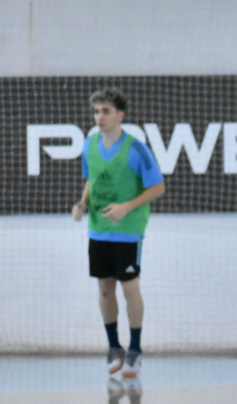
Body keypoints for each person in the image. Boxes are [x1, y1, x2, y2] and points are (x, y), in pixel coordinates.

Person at [72, 87, 165, 379]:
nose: (99, 117)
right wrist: (82, 203)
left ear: (120, 115)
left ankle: (135, 350)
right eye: (96, 111)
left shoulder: (136, 149)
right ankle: (114, 347)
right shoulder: (89, 145)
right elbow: (90, 179)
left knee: (129, 289)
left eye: (106, 111)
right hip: (98, 230)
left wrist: (126, 207)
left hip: (127, 231)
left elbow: (158, 187)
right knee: (104, 289)